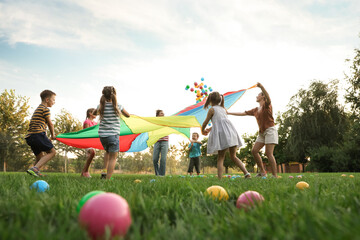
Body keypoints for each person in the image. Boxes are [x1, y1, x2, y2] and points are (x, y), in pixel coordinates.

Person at [227, 82, 278, 178]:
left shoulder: (267, 105)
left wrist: (261, 87)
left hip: (270, 130)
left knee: (268, 153)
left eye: (258, 95)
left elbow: (268, 96)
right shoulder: (255, 110)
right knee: (254, 151)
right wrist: (228, 113)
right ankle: (262, 171)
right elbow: (243, 113)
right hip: (262, 133)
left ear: (263, 97)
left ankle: (274, 175)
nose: (256, 96)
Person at [201, 91, 251, 179]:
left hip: (223, 135)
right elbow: (221, 122)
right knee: (234, 156)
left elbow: (206, 122)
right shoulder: (223, 109)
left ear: (210, 100)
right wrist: (211, 128)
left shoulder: (212, 109)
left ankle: (220, 179)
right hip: (231, 133)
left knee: (221, 157)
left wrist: (202, 130)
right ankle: (246, 173)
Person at [93, 86, 130, 180]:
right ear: (114, 95)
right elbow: (128, 115)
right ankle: (107, 179)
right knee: (113, 158)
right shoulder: (118, 106)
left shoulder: (101, 106)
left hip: (102, 136)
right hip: (113, 135)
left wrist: (99, 108)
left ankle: (104, 172)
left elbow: (94, 113)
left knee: (107, 152)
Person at [26, 90, 57, 177]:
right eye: (53, 100)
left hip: (30, 136)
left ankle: (33, 173)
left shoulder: (38, 108)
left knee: (39, 157)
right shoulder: (45, 109)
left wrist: (46, 138)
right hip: (37, 135)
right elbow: (50, 123)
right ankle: (35, 169)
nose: (54, 102)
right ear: (47, 100)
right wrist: (52, 135)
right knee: (52, 152)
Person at [80, 108, 97, 178]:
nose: (96, 114)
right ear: (90, 113)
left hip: (92, 142)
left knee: (90, 156)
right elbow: (87, 132)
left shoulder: (95, 123)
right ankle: (85, 171)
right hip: (87, 142)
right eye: (94, 113)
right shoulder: (87, 122)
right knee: (92, 153)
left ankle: (84, 172)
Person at [152, 110, 169, 176]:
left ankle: (162, 175)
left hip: (165, 142)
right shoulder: (154, 122)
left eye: (163, 113)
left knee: (163, 159)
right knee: (154, 159)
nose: (163, 114)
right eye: (161, 113)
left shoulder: (167, 121)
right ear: (158, 115)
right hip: (157, 142)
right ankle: (157, 174)